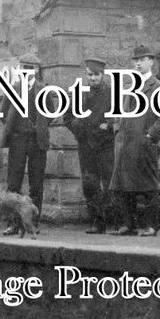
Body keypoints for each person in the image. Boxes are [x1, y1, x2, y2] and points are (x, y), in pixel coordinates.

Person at [110, 45, 160, 237]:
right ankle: (128, 225)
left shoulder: (159, 88)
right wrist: (118, 131)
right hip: (125, 144)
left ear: (151, 62)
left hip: (144, 144)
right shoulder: (129, 87)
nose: (137, 63)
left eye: (142, 59)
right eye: (135, 60)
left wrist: (150, 136)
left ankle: (151, 226)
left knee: (148, 187)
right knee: (124, 186)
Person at [0, 52, 50, 234]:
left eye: (31, 68)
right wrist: (16, 129)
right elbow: (3, 114)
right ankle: (13, 223)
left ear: (36, 70)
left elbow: (50, 112)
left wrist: (39, 127)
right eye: (24, 68)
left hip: (36, 142)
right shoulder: (14, 88)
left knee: (36, 183)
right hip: (18, 141)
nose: (27, 71)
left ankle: (33, 223)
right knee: (14, 182)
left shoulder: (43, 89)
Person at [64, 57, 115, 234]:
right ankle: (96, 221)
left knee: (109, 183)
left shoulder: (111, 92)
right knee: (89, 183)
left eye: (96, 75)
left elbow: (120, 116)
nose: (92, 78)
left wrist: (109, 125)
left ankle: (112, 220)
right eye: (90, 75)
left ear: (103, 75)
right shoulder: (80, 93)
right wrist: (79, 129)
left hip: (106, 145)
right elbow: (68, 118)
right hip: (86, 145)